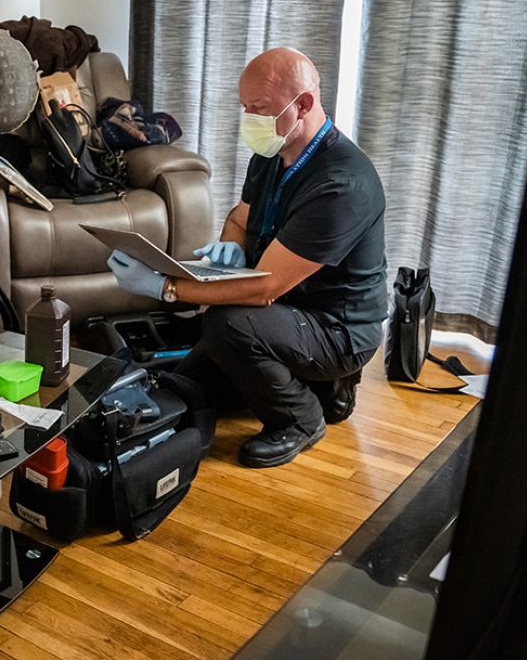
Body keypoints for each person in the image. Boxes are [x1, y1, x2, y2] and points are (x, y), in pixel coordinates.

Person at [109, 47, 386, 468]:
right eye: (245, 107)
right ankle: (307, 387)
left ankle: (302, 419)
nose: (249, 118)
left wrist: (165, 288)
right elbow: (240, 218)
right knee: (183, 385)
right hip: (284, 312)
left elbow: (265, 288)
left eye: (259, 107)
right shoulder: (272, 156)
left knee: (227, 322)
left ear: (304, 104)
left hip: (335, 329)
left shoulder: (341, 183)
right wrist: (233, 246)